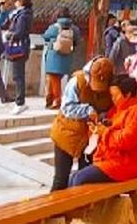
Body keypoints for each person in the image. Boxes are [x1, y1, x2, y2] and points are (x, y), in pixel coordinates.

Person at [68, 74, 137, 185]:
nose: (113, 99)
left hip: (129, 164)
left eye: (115, 96)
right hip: (114, 161)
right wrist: (97, 131)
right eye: (112, 96)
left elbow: (127, 140)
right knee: (73, 178)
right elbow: (112, 136)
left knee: (79, 179)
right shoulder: (118, 111)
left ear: (128, 94)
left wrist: (104, 132)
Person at [49, 56, 114, 191]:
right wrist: (88, 110)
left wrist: (102, 117)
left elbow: (108, 108)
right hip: (67, 133)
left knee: (84, 180)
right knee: (61, 179)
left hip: (90, 140)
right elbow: (66, 108)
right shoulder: (76, 82)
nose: (97, 89)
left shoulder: (111, 87)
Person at [41, 11, 80, 109]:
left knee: (54, 78)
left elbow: (45, 36)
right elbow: (77, 40)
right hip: (67, 56)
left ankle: (56, 100)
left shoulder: (54, 27)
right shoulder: (74, 29)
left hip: (53, 55)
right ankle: (49, 99)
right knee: (54, 78)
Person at [2, 0, 34, 109]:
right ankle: (19, 101)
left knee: (18, 75)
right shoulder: (22, 14)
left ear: (21, 2)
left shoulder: (23, 15)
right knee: (18, 74)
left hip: (19, 47)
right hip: (22, 46)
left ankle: (20, 102)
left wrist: (8, 35)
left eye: (17, 0)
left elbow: (19, 32)